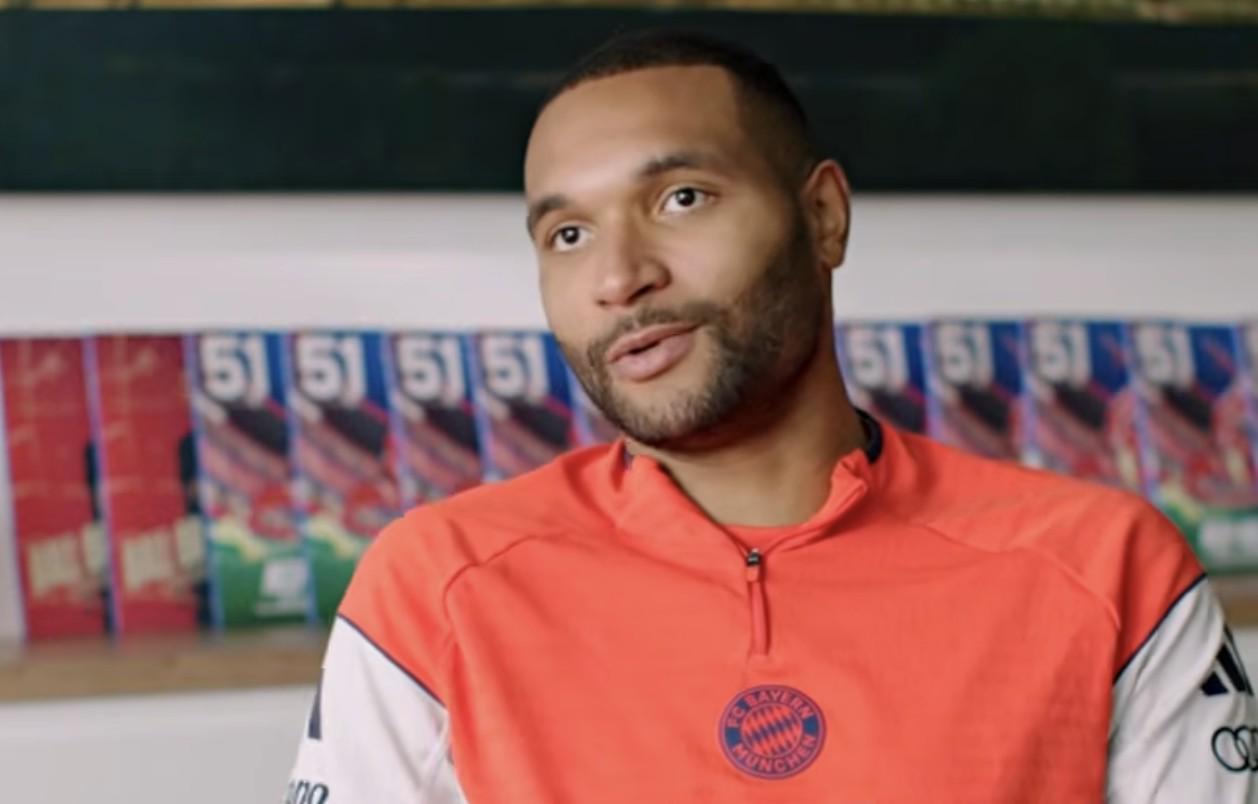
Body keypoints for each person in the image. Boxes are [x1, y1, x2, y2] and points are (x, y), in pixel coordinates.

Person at [285, 30, 1258, 803]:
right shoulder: (433, 587)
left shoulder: (1108, 570)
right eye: (568, 233)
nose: (620, 277)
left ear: (823, 216)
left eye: (681, 198)